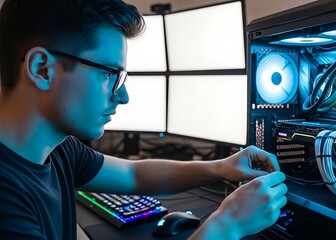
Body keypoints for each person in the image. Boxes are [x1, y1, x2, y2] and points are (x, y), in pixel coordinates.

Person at [0, 0, 287, 239]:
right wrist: (227, 225)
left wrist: (220, 167)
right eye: (110, 73)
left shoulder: (57, 149)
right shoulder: (6, 199)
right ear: (42, 70)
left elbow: (133, 175)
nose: (123, 96)